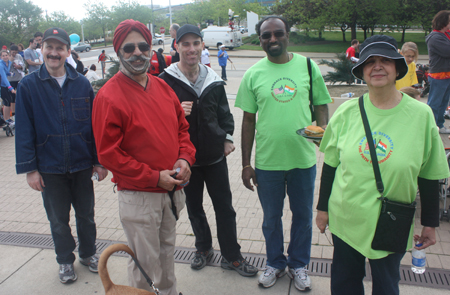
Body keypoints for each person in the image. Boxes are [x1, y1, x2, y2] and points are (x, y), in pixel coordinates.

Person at [316, 35, 449, 295]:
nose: (377, 66)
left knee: (387, 286)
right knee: (344, 285)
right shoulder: (346, 112)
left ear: (398, 68)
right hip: (347, 217)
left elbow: (430, 174)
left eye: (385, 61)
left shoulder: (421, 116)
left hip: (392, 221)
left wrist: (430, 222)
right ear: (362, 71)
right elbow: (330, 166)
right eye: (370, 62)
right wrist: (322, 210)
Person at [91, 19, 196, 295]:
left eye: (142, 46)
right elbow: (109, 154)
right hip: (139, 196)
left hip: (171, 191)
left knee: (166, 255)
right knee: (145, 265)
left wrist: (185, 159)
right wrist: (152, 177)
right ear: (118, 52)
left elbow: (182, 129)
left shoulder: (162, 88)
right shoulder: (108, 96)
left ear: (150, 49)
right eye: (129, 48)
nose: (137, 52)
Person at [235, 15, 331, 291]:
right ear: (261, 39)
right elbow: (248, 121)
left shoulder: (308, 67)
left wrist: (318, 133)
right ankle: (275, 263)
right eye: (266, 35)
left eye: (278, 33)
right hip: (267, 163)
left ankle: (298, 264)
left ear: (288, 35)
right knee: (271, 219)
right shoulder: (253, 73)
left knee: (302, 217)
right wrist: (245, 163)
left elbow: (321, 105)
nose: (273, 39)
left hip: (302, 160)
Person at [159, 24, 258, 277]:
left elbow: (225, 115)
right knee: (194, 207)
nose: (191, 49)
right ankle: (203, 248)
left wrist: (226, 138)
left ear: (202, 45)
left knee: (225, 207)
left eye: (196, 43)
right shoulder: (165, 81)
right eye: (186, 44)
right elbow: (156, 121)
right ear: (177, 46)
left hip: (214, 158)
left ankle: (231, 256)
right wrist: (175, 112)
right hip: (185, 160)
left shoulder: (213, 81)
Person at [15, 27, 108, 284]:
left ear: (68, 51)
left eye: (59, 48)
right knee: (58, 220)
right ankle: (65, 260)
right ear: (41, 49)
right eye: (49, 47)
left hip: (81, 165)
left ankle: (88, 254)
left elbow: (93, 126)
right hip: (49, 167)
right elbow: (23, 129)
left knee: (86, 216)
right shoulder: (28, 86)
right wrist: (30, 169)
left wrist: (98, 161)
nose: (54, 53)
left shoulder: (81, 83)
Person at [426, 10, 450, 134]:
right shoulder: (435, 37)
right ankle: (431, 126)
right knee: (435, 103)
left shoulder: (445, 35)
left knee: (443, 103)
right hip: (438, 76)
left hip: (446, 75)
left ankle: (439, 125)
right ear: (444, 22)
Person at [0, 50, 17, 125]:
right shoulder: (1, 65)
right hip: (2, 86)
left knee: (8, 101)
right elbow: (3, 77)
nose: (5, 57)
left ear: (8, 55)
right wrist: (11, 88)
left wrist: (10, 74)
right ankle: (6, 119)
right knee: (6, 101)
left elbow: (6, 72)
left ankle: (7, 118)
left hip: (4, 85)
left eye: (6, 55)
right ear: (1, 57)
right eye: (3, 55)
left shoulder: (8, 63)